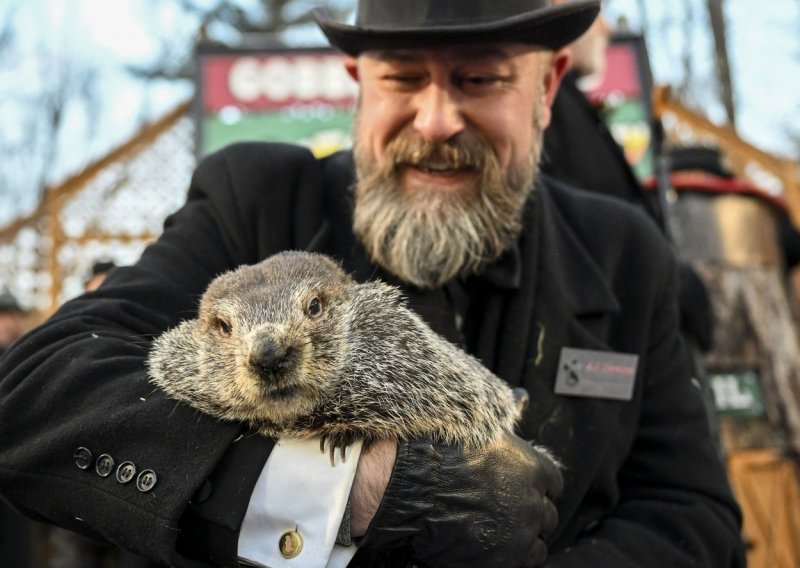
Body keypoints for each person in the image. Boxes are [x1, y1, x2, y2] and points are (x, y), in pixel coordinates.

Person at [0, 1, 746, 567]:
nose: (437, 118)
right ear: (359, 81)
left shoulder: (623, 252)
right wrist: (361, 490)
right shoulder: (255, 202)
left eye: (479, 78)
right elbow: (35, 393)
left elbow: (692, 512)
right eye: (403, 77)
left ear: (548, 84)